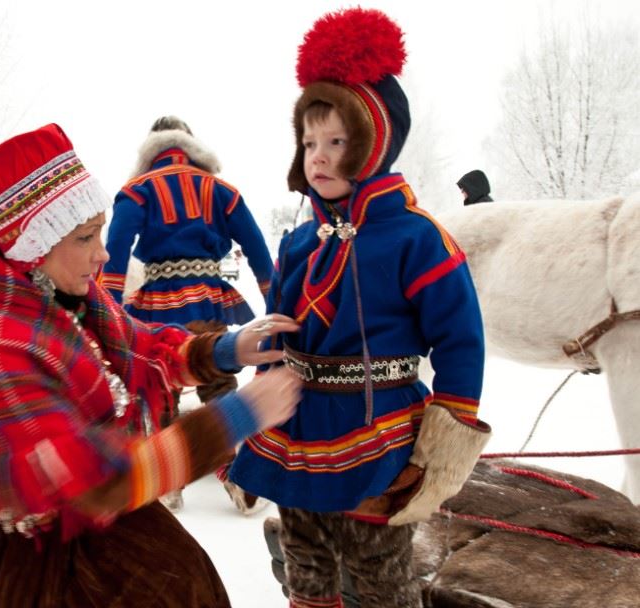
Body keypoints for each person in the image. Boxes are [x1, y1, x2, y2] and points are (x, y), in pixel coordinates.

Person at [0, 123, 302, 608]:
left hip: (85, 512)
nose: (103, 254)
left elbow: (143, 350)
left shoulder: (57, 293)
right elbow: (100, 482)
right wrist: (238, 415)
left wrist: (230, 349)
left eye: (100, 232)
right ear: (31, 242)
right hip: (4, 556)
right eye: (85, 238)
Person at [227, 9, 491, 608]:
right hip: (298, 433)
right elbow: (278, 334)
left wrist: (441, 450)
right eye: (309, 141)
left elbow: (460, 341)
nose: (318, 156)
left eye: (337, 141)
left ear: (374, 144)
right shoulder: (298, 241)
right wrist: (261, 388)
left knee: (378, 573)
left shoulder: (417, 238)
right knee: (305, 561)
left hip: (379, 436)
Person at [100, 115, 275, 512]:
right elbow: (256, 246)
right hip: (209, 298)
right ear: (190, 145)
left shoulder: (137, 190)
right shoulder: (220, 189)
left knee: (163, 381)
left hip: (158, 304)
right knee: (216, 377)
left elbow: (117, 249)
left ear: (151, 148)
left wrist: (106, 308)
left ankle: (167, 483)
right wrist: (275, 301)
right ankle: (236, 477)